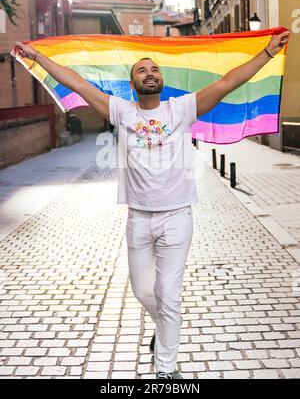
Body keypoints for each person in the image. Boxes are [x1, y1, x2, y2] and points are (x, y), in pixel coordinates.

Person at [14, 31, 289, 379]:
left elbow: (227, 83)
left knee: (168, 293)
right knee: (143, 290)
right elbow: (79, 84)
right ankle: (166, 328)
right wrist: (38, 58)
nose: (149, 73)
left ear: (162, 79)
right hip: (138, 219)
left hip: (177, 217)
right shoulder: (120, 110)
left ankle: (165, 370)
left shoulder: (181, 108)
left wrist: (266, 52)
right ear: (133, 83)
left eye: (154, 69)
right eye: (141, 70)